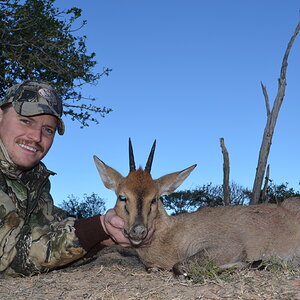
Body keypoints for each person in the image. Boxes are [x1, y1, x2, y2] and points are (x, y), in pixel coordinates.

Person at [0, 80, 154, 277]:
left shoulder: (34, 178)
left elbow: (50, 235)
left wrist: (107, 236)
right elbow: (10, 258)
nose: (36, 137)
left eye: (48, 129)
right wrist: (98, 226)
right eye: (26, 121)